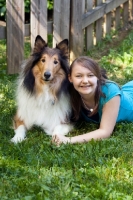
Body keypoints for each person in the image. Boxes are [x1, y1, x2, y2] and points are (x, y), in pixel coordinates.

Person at [52, 56, 133, 145]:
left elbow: (105, 131)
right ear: (70, 78)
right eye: (79, 76)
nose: (85, 81)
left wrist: (68, 140)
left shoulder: (110, 92)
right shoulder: (70, 94)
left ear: (98, 76)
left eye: (90, 75)